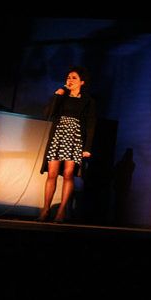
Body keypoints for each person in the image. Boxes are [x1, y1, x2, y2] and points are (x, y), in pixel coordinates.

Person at [37, 65, 96, 223]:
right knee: (52, 173)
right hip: (58, 136)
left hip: (75, 138)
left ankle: (61, 211)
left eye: (74, 78)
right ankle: (45, 209)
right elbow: (48, 113)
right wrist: (57, 96)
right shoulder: (62, 97)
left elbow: (91, 124)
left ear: (82, 82)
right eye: (68, 77)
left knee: (68, 174)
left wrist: (87, 147)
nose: (70, 80)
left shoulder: (88, 101)